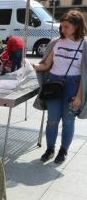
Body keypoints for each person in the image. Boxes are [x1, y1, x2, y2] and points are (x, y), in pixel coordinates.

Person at [34, 10, 87, 165]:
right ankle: (50, 149)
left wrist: (79, 96)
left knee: (68, 121)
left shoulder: (84, 45)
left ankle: (63, 150)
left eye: (66, 27)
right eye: (61, 27)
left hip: (74, 86)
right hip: (54, 84)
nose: (62, 30)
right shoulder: (55, 43)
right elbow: (45, 65)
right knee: (52, 120)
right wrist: (31, 66)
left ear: (77, 26)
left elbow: (85, 74)